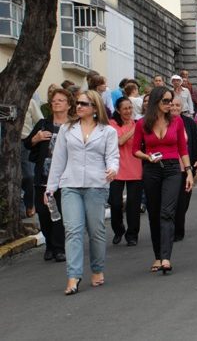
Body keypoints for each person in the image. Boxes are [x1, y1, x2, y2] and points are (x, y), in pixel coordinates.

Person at [45, 90, 119, 294]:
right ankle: (73, 276)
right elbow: (58, 160)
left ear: (95, 108)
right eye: (77, 103)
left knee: (96, 231)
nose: (78, 107)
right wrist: (51, 188)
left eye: (84, 104)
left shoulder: (108, 131)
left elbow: (113, 156)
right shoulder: (67, 130)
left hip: (97, 185)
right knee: (73, 231)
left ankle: (97, 269)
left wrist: (113, 169)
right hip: (70, 185)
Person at [132, 86, 193, 275]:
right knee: (154, 213)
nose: (169, 105)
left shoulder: (177, 122)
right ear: (156, 102)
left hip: (173, 169)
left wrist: (189, 172)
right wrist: (148, 157)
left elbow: (183, 148)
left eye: (171, 101)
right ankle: (157, 256)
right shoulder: (142, 123)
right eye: (165, 101)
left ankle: (166, 257)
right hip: (151, 169)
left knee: (167, 212)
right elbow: (135, 150)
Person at [24, 89, 71, 262]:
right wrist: (36, 138)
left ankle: (59, 248)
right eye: (54, 100)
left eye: (61, 100)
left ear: (68, 104)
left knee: (58, 212)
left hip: (65, 178)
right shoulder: (43, 124)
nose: (56, 102)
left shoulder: (73, 125)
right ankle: (50, 245)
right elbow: (28, 144)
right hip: (43, 176)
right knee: (44, 213)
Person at [108, 97, 143, 246]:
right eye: (125, 108)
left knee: (133, 205)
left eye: (130, 108)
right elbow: (119, 141)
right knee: (115, 203)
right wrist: (135, 129)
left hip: (136, 168)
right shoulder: (112, 124)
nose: (129, 111)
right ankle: (118, 229)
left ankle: (132, 234)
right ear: (118, 110)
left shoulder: (138, 124)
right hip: (117, 169)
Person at [171, 96, 197, 242]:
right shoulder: (161, 122)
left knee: (183, 201)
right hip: (168, 167)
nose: (174, 108)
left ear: (182, 107)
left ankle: (178, 229)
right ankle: (168, 229)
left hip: (186, 169)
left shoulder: (189, 123)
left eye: (177, 105)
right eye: (171, 104)